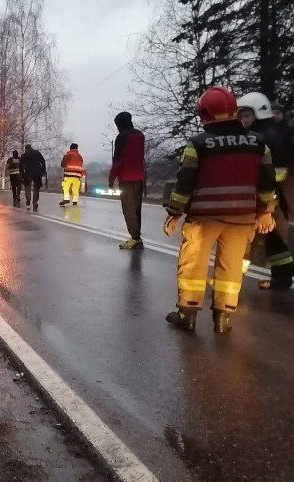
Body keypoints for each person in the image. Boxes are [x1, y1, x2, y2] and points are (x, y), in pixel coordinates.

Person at [164, 86, 277, 333]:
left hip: (204, 219)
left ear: (204, 114)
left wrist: (174, 212)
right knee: (231, 267)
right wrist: (266, 210)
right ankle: (223, 320)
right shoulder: (258, 144)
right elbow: (267, 182)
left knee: (193, 264)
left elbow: (185, 183)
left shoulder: (198, 144)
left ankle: (188, 314)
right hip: (242, 218)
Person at [237, 93, 293, 289]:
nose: (243, 120)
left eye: (247, 116)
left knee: (247, 236)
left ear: (259, 114)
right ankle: (283, 275)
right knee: (271, 236)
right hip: (272, 194)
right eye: (241, 116)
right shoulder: (269, 133)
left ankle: (232, 278)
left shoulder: (260, 138)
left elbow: (268, 171)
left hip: (266, 195)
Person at [109, 111, 146, 249]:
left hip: (126, 178)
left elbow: (117, 161)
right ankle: (137, 236)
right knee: (137, 208)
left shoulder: (121, 137)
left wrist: (111, 179)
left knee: (128, 209)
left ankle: (135, 238)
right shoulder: (140, 135)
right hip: (140, 177)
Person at [20, 144, 46, 212]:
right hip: (37, 172)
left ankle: (28, 199)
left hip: (28, 172)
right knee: (36, 188)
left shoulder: (24, 155)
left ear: (26, 149)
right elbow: (43, 161)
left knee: (27, 186)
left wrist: (22, 175)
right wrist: (43, 171)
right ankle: (35, 202)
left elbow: (21, 166)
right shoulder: (37, 153)